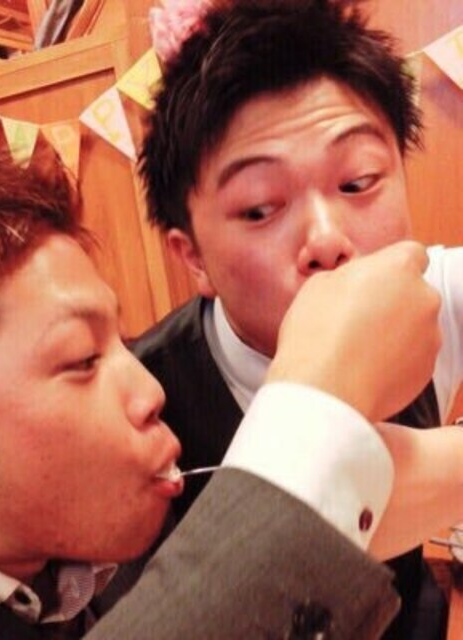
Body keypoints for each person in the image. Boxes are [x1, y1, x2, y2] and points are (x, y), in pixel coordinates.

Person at [0, 152, 443, 639]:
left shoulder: (61, 563)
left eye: (120, 343)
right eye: (81, 360)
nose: (149, 390)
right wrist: (314, 403)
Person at [135, 0, 463, 638]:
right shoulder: (142, 407)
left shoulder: (431, 293)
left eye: (358, 182)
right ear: (192, 256)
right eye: (260, 209)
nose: (327, 240)